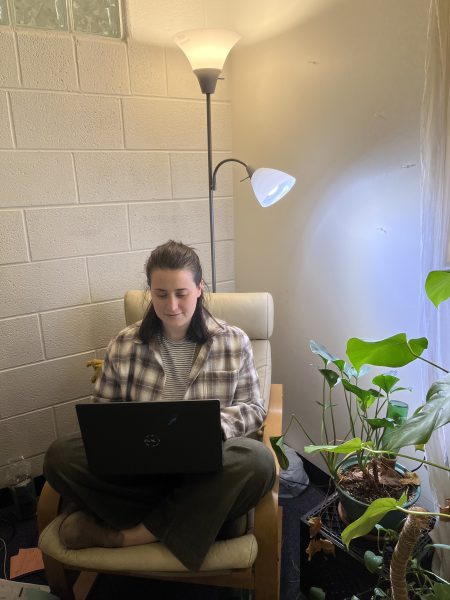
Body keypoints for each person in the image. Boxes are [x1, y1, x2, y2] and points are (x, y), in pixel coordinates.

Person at [43, 240, 276, 571]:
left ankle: (129, 535)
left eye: (181, 293)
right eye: (161, 294)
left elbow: (254, 408)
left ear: (199, 289)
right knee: (59, 456)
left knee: (258, 461)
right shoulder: (124, 342)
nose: (172, 305)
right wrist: (122, 433)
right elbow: (104, 410)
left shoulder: (233, 341)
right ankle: (204, 520)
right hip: (142, 472)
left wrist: (216, 427)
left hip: (206, 471)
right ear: (149, 291)